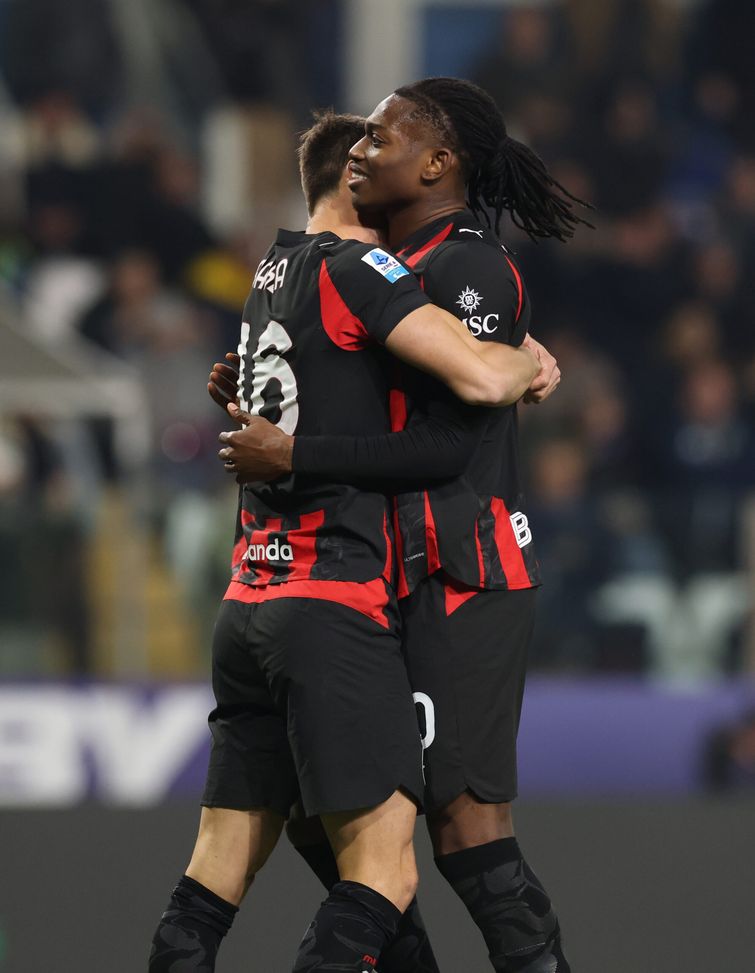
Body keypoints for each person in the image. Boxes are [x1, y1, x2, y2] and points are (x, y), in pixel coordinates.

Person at [149, 111, 541, 973]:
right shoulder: (359, 266)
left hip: (245, 602)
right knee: (384, 868)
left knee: (209, 879)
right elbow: (477, 377)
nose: (375, 164)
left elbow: (318, 387)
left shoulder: (269, 270)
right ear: (352, 185)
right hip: (331, 605)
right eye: (367, 152)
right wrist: (524, 361)